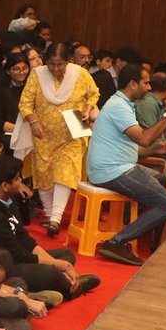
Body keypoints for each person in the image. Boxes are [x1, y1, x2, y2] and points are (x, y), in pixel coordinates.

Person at [86, 65, 166, 265]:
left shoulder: (124, 103)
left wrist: (155, 151)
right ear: (132, 84)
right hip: (112, 171)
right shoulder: (119, 107)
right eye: (146, 83)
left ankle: (154, 242)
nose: (149, 87)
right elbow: (144, 139)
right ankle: (116, 242)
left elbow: (136, 148)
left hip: (121, 165)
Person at [0, 154, 101, 300]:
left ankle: (53, 285)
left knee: (66, 255)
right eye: (17, 179)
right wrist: (58, 266)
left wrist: (59, 264)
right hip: (5, 265)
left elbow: (24, 238)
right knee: (49, 272)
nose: (21, 182)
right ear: (5, 186)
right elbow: (19, 254)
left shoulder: (7, 199)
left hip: (18, 256)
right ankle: (70, 288)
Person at [16, 43, 100, 236]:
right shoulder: (37, 75)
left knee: (65, 172)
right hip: (43, 134)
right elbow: (25, 102)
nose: (55, 69)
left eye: (60, 64)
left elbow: (94, 93)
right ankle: (48, 212)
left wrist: (87, 109)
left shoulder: (80, 74)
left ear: (68, 62)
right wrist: (33, 121)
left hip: (72, 133)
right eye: (51, 64)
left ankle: (55, 219)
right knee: (44, 173)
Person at [0, 49, 30, 137]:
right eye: (16, 69)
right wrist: (20, 130)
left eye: (24, 68)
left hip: (26, 130)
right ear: (8, 71)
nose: (22, 72)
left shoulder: (29, 86)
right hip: (5, 133)